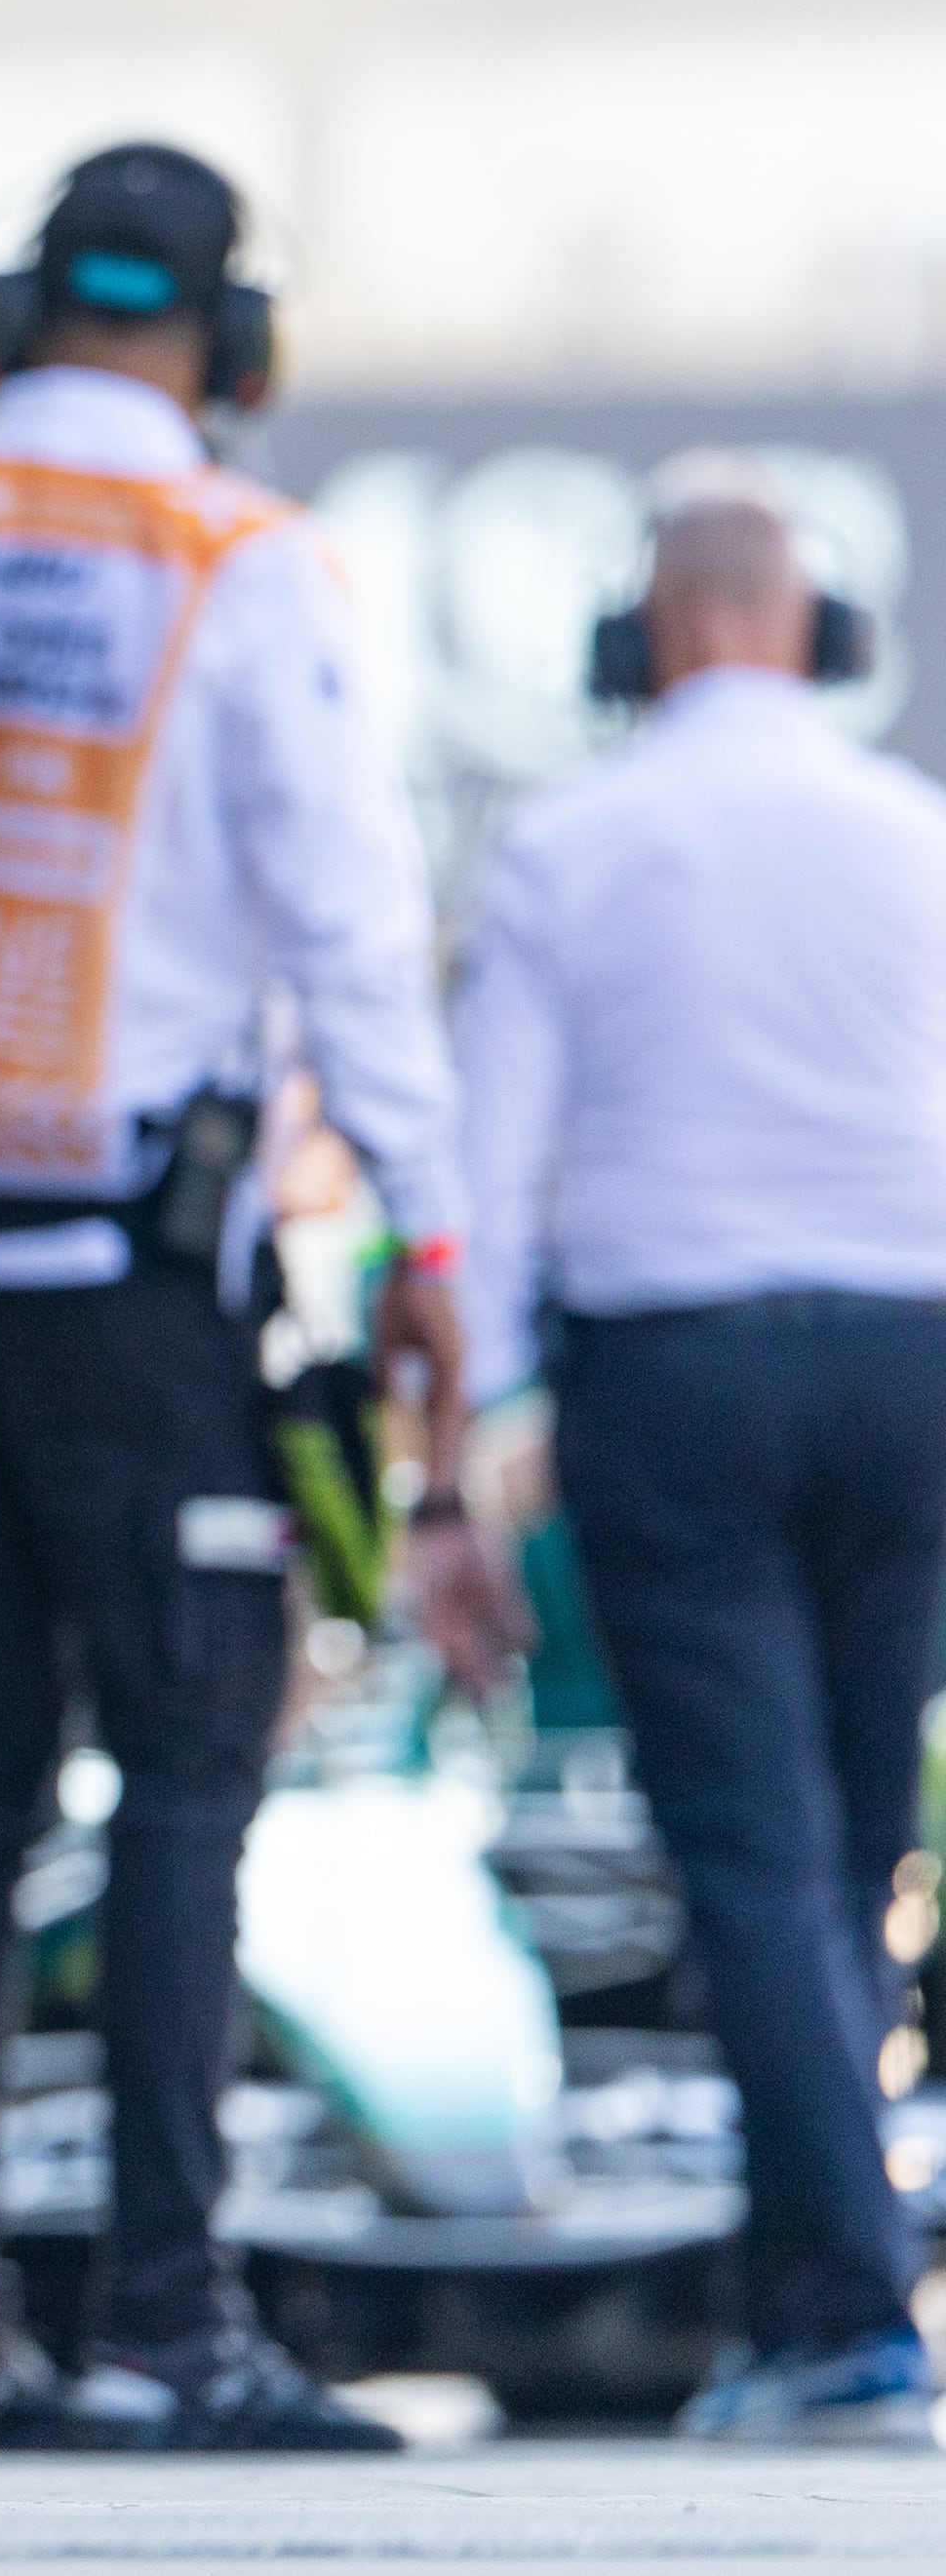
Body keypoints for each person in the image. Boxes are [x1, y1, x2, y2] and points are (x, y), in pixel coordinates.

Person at [0, 139, 465, 2451]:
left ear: (0, 318)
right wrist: (430, 1247)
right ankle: (166, 2310)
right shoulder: (239, 558)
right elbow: (347, 921)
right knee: (185, 1769)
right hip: (137, 1274)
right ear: (233, 352)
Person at [434, 474, 946, 2446]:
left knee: (748, 1849)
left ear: (626, 646)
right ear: (819, 639)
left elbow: (487, 1165)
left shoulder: (569, 840)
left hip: (676, 1365)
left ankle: (837, 2307)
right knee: (842, 1836)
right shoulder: (915, 832)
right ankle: (821, 2282)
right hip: (908, 1353)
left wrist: (455, 1452)